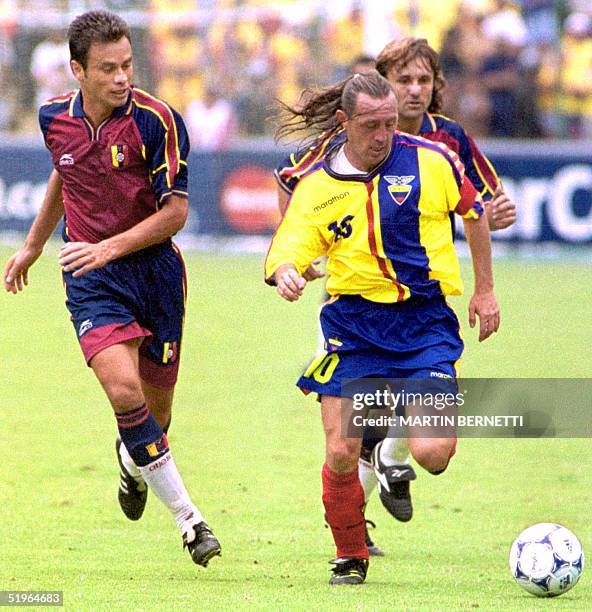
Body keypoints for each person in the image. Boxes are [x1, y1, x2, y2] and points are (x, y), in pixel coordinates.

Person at [273, 37, 516, 552]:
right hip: (354, 308)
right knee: (346, 439)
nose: (414, 91)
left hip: (421, 311)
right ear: (381, 85)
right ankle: (353, 544)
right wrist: (296, 260)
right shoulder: (334, 153)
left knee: (429, 449)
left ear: (435, 87)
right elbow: (294, 189)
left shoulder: (444, 144)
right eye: (404, 80)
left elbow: (481, 204)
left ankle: (391, 446)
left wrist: (487, 270)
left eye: (423, 81)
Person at [3, 10, 220, 567]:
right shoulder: (54, 118)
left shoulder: (159, 120)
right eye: (108, 68)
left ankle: (132, 460)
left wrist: (110, 246)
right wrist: (33, 245)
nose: (122, 77)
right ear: (77, 71)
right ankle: (190, 521)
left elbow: (175, 213)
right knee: (123, 391)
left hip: (156, 276)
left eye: (127, 64)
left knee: (156, 414)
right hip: (91, 277)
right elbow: (63, 173)